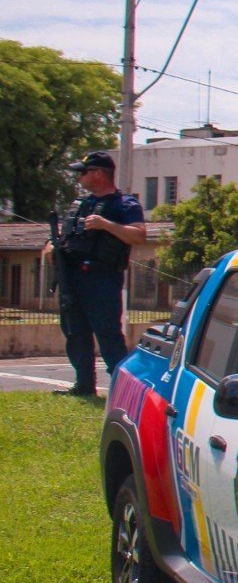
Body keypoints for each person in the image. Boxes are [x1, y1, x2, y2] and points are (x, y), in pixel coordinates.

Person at [39, 150, 146, 398]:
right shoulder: (80, 205)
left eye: (83, 173)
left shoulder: (125, 204)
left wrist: (105, 224)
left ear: (98, 174)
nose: (79, 178)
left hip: (102, 279)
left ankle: (125, 390)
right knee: (75, 334)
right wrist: (51, 248)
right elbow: (62, 236)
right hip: (72, 278)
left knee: (108, 335)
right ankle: (83, 385)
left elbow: (139, 235)